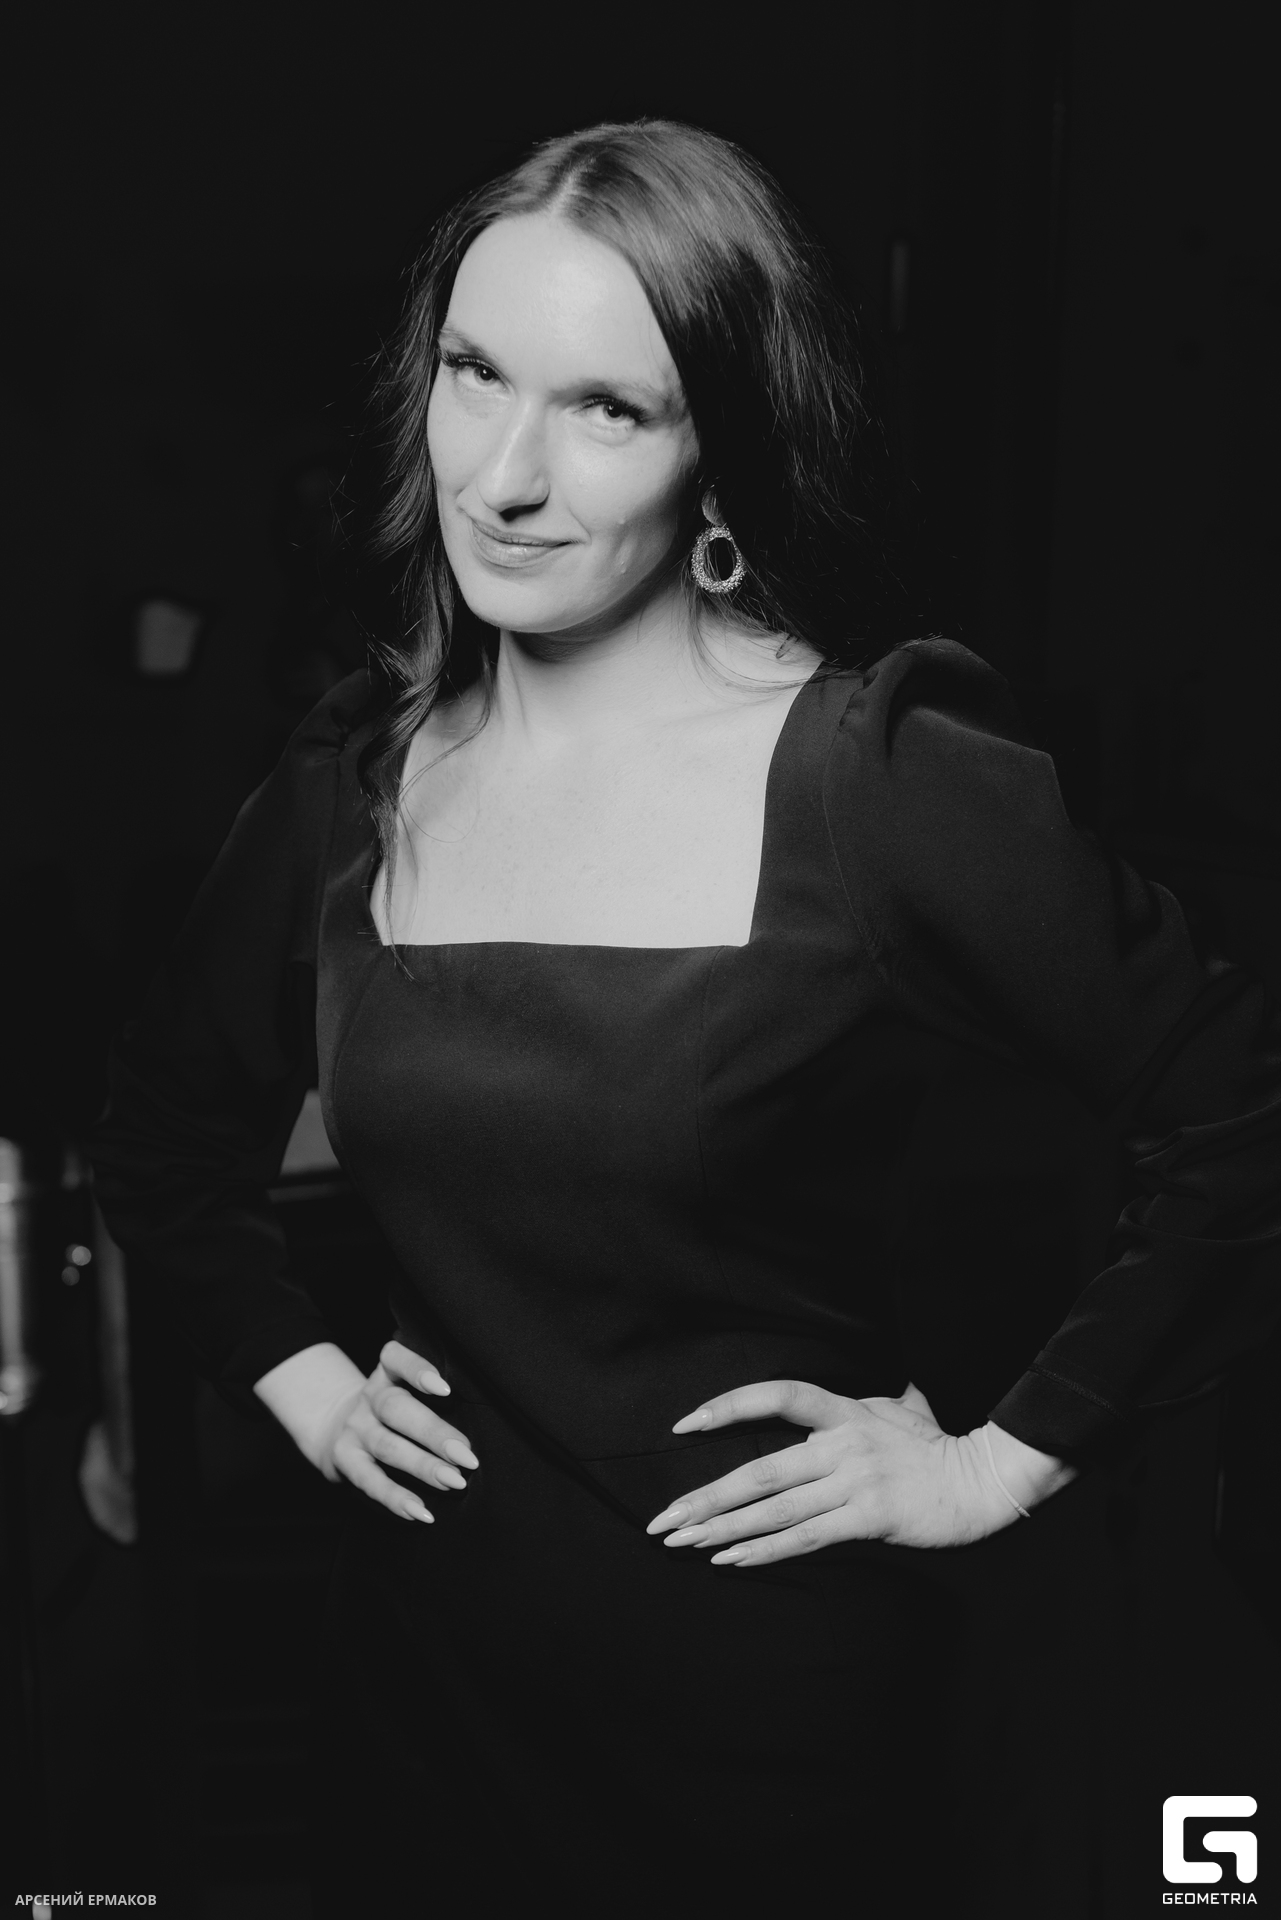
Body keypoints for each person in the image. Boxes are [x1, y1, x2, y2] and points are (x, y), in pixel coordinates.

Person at [90, 120, 1281, 1914]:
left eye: (606, 408)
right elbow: (164, 1139)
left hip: (777, 1734)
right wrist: (314, 1390)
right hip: (423, 1701)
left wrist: (994, 1464)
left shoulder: (876, 781)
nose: (504, 474)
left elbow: (1238, 1116)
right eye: (474, 374)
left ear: (716, 445)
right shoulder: (355, 779)